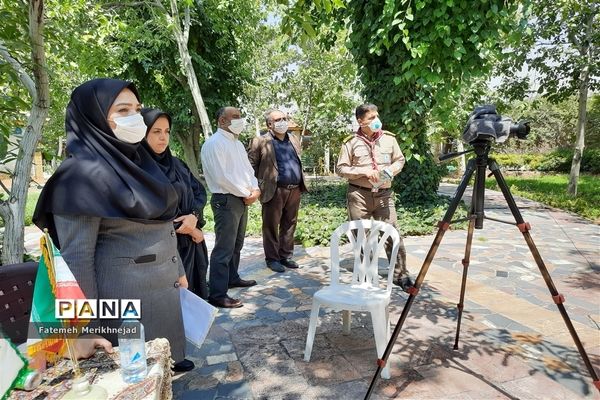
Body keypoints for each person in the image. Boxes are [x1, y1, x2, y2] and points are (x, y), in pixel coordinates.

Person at [32, 78, 194, 372]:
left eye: (137, 109)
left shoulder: (139, 162)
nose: (134, 118)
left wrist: (178, 268)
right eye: (122, 110)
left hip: (162, 291)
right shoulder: (79, 175)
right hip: (123, 308)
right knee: (136, 380)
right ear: (94, 117)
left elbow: (161, 224)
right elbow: (76, 259)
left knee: (162, 376)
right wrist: (82, 331)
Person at [336, 103, 413, 291]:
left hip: (384, 195)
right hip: (359, 195)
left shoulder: (389, 139)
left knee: (392, 234)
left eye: (376, 116)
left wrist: (389, 170)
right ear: (360, 121)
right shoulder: (350, 143)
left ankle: (401, 275)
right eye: (371, 118)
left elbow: (400, 160)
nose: (376, 121)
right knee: (362, 236)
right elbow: (341, 168)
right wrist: (364, 171)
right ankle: (366, 274)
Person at [141, 108, 209, 299]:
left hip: (192, 244)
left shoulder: (177, 164)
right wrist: (189, 228)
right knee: (173, 304)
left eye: (167, 131)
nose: (163, 137)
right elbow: (150, 212)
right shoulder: (139, 170)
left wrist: (194, 216)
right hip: (166, 249)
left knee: (195, 299)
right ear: (143, 133)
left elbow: (198, 191)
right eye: (156, 131)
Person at [200, 106, 260, 308]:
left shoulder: (237, 144)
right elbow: (221, 177)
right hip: (226, 199)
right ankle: (217, 294)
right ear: (221, 121)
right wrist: (247, 194)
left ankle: (232, 277)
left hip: (242, 198)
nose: (240, 120)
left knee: (237, 243)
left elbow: (247, 170)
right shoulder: (214, 144)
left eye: (240, 116)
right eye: (235, 117)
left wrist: (255, 189)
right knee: (224, 248)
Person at [247, 109, 307, 273]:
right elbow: (251, 166)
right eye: (278, 119)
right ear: (269, 124)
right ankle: (272, 259)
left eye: (285, 118)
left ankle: (285, 256)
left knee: (290, 223)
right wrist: (255, 187)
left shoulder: (293, 139)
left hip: (294, 189)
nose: (283, 121)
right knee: (271, 225)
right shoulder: (260, 141)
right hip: (274, 190)